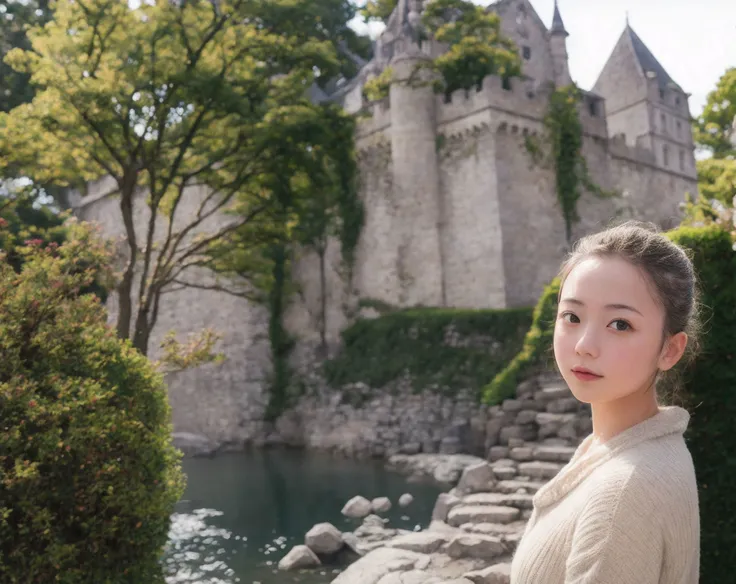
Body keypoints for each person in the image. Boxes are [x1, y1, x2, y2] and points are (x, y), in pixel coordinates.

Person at [510, 221, 701, 584]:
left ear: (670, 349)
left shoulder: (624, 492)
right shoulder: (625, 448)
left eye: (620, 324)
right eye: (572, 316)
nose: (584, 344)